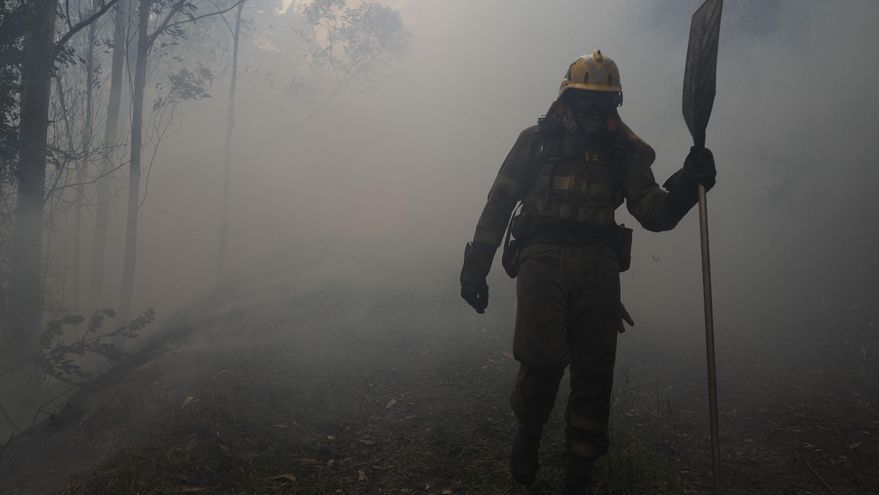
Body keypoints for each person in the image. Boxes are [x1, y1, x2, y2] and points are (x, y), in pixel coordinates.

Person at [459, 50, 716, 494]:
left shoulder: (623, 153)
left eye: (604, 102)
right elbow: (499, 202)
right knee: (541, 358)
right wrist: (475, 268)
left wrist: (688, 183)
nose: (595, 112)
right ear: (567, 100)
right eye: (586, 101)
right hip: (541, 256)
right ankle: (529, 432)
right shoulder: (535, 142)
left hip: (599, 263)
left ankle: (580, 470)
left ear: (615, 104)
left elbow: (654, 213)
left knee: (595, 369)